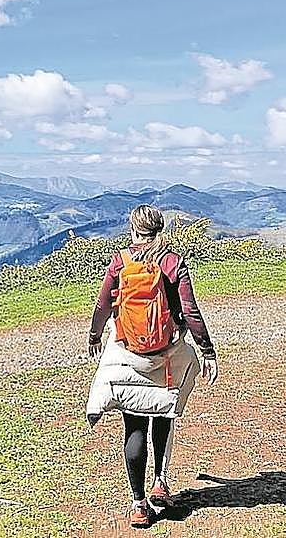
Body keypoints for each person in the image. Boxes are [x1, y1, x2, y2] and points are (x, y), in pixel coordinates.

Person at [84, 204, 218, 529]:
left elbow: (103, 304)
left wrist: (94, 335)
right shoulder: (172, 262)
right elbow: (191, 312)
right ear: (160, 230)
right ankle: (160, 481)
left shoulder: (120, 262)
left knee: (134, 428)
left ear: (132, 229)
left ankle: (138, 504)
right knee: (162, 416)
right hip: (167, 353)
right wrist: (207, 350)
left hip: (129, 356)